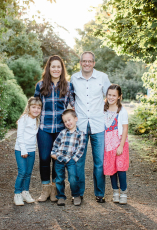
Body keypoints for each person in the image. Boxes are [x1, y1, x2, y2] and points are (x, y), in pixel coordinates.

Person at [70, 51, 111, 203]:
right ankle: (78, 193)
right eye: (84, 61)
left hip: (98, 124)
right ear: (80, 62)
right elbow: (71, 99)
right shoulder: (74, 78)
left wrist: (110, 114)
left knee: (99, 162)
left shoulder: (102, 77)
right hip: (80, 125)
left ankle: (99, 193)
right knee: (78, 160)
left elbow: (111, 95)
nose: (86, 63)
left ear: (94, 63)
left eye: (89, 61)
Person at [34, 55, 75, 202]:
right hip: (44, 128)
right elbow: (35, 105)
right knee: (44, 158)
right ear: (49, 68)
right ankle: (45, 189)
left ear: (62, 69)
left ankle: (55, 190)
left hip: (60, 130)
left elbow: (74, 105)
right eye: (53, 66)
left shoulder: (68, 86)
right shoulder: (40, 85)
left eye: (59, 66)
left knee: (57, 160)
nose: (56, 69)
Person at [51, 109, 86, 206]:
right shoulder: (62, 133)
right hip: (59, 159)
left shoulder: (81, 134)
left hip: (71, 160)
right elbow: (56, 144)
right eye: (65, 121)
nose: (67, 123)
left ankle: (76, 195)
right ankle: (61, 196)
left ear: (76, 119)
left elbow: (81, 149)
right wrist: (53, 153)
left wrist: (73, 159)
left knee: (73, 179)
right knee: (59, 179)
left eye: (69, 120)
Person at [103, 84, 129, 204]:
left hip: (119, 144)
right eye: (109, 95)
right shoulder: (103, 109)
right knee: (111, 169)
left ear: (119, 97)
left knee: (121, 169)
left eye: (114, 95)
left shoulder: (122, 111)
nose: (111, 97)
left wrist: (121, 146)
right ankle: (115, 192)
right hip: (108, 145)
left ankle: (123, 192)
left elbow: (124, 129)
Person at [14, 97, 42, 206]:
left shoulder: (37, 120)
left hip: (31, 150)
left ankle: (25, 192)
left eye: (38, 108)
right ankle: (17, 194)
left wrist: (33, 149)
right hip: (21, 149)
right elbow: (20, 136)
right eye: (33, 107)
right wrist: (23, 150)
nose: (36, 110)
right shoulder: (24, 119)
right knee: (22, 172)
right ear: (29, 107)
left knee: (29, 172)